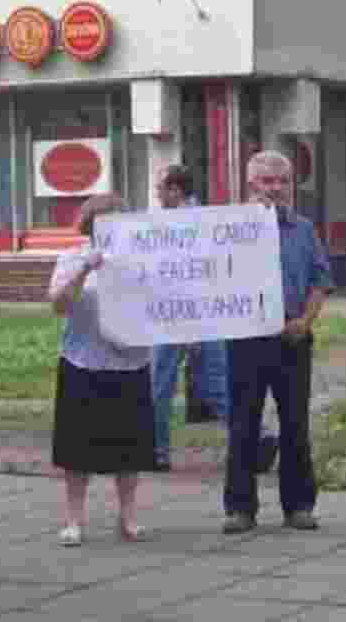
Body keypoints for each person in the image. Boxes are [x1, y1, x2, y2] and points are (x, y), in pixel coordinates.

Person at [223, 151, 334, 534]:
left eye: (283, 180)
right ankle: (240, 508)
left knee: (295, 424)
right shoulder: (229, 227)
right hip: (245, 338)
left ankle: (299, 505)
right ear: (251, 184)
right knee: (243, 424)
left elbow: (321, 280)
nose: (276, 188)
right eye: (267, 181)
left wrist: (305, 320)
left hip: (292, 337)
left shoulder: (303, 229)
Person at [150, 164, 279, 474]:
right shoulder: (209, 221)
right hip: (210, 316)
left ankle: (158, 452)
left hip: (176, 315)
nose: (156, 195)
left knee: (160, 385)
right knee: (217, 385)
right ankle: (258, 439)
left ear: (174, 191)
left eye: (159, 189)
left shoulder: (171, 226)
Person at [49, 193, 155, 547]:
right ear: (89, 225)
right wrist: (84, 269)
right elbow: (60, 306)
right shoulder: (71, 257)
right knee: (77, 448)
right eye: (103, 221)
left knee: (130, 448)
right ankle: (74, 520)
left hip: (131, 362)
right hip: (84, 362)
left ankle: (128, 518)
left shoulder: (145, 260)